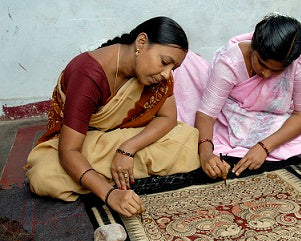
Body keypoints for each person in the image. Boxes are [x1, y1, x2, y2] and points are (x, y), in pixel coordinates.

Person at [26, 16, 200, 217]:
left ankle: (102, 173)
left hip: (120, 140)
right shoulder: (88, 73)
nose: (166, 74)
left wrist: (127, 149)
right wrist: (110, 195)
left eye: (173, 69)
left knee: (186, 139)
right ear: (141, 42)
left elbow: (168, 119)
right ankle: (113, 176)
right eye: (164, 62)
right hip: (82, 143)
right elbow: (70, 150)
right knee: (43, 176)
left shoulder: (155, 76)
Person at [173, 14, 301, 180]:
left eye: (277, 70)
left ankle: (244, 151)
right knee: (196, 133)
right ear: (253, 48)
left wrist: (264, 147)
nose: (266, 73)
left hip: (270, 119)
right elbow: (207, 114)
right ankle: (237, 149)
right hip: (230, 117)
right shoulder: (231, 60)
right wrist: (206, 154)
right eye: (261, 63)